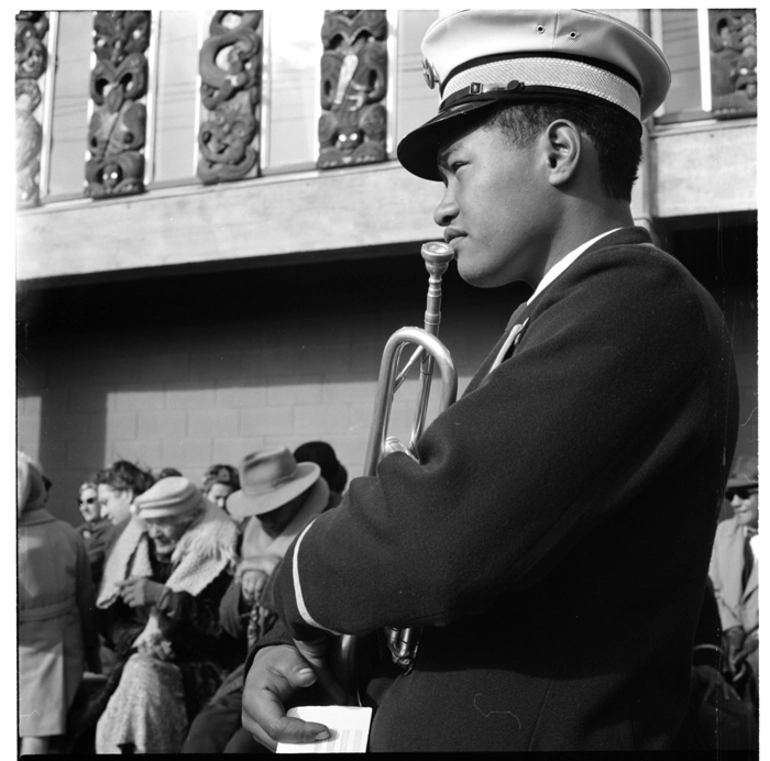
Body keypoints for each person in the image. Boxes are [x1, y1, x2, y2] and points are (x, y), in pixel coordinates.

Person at [241, 10, 740, 752]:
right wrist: (295, 640)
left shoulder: (636, 303)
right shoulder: (568, 308)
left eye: (458, 167)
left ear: (560, 151)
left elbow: (441, 534)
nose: (442, 204)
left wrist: (294, 588)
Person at [182, 447, 341, 753]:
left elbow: (319, 600)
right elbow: (228, 622)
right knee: (204, 731)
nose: (265, 515)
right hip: (253, 665)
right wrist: (245, 590)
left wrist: (272, 573)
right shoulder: (251, 533)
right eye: (259, 507)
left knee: (242, 748)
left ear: (301, 493)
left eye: (274, 505)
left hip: (315, 666)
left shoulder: (334, 521)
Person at [92, 477, 241, 753]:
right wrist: (143, 640)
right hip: (139, 664)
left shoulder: (216, 550)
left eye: (164, 523)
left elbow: (224, 628)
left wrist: (164, 598)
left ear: (192, 519)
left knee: (142, 677)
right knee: (139, 674)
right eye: (149, 523)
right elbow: (111, 622)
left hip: (199, 675)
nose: (155, 532)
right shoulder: (138, 548)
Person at [18, 452, 101, 755]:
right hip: (56, 646)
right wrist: (91, 648)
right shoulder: (66, 534)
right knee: (36, 730)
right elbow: (85, 598)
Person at [709, 455, 758, 702]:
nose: (735, 503)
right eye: (730, 495)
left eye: (744, 493)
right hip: (733, 659)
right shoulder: (721, 534)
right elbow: (715, 588)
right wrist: (731, 630)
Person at [76, 481, 116, 588]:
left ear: (101, 502)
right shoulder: (77, 532)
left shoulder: (111, 531)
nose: (84, 508)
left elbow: (87, 563)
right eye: (80, 502)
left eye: (90, 501)